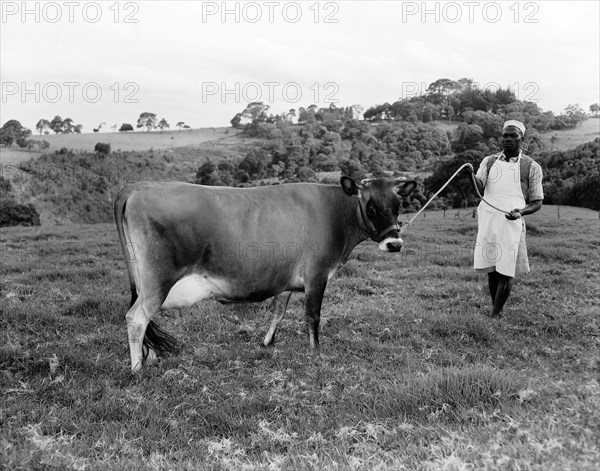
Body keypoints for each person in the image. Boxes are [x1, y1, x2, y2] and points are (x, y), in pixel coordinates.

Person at [468, 120, 543, 317]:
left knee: (506, 268)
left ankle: (493, 316)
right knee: (492, 268)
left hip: (511, 221)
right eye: (505, 135)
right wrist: (470, 175)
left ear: (522, 138)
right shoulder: (489, 161)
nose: (508, 139)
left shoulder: (531, 166)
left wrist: (521, 212)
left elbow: (537, 201)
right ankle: (497, 310)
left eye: (513, 135)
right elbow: (479, 187)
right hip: (489, 219)